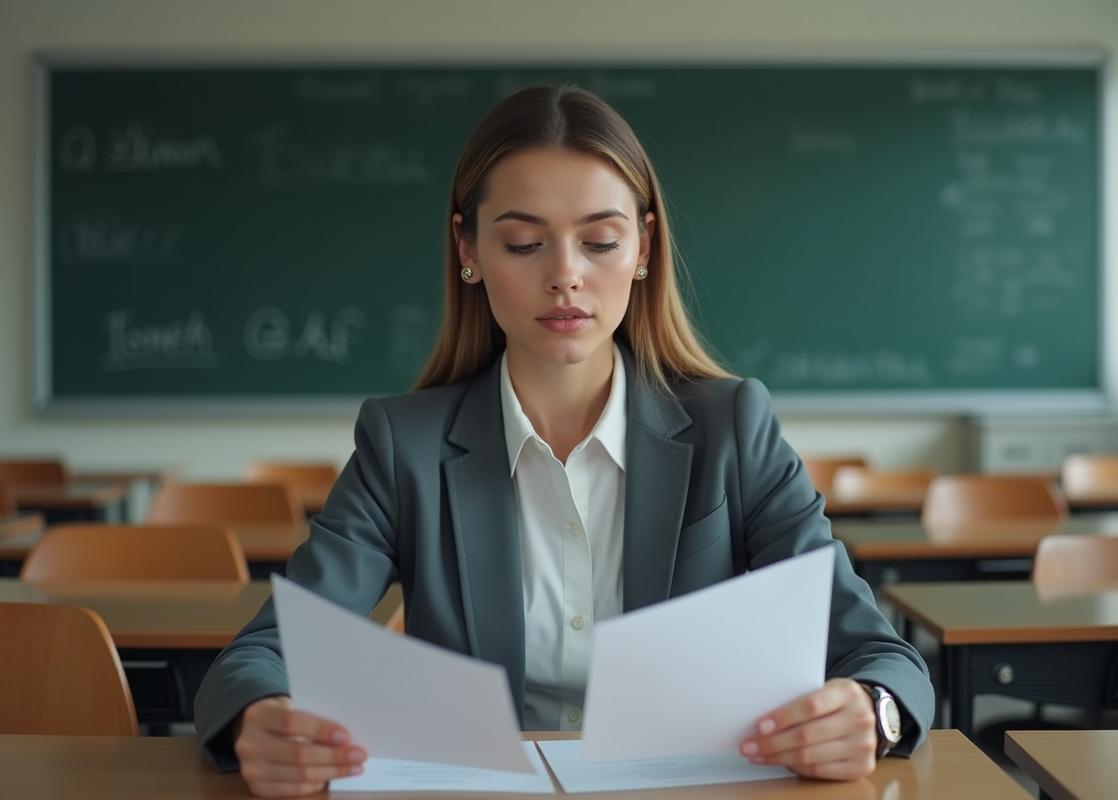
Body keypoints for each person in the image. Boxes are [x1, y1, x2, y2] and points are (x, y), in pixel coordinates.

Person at [195, 84, 935, 798]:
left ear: (644, 247)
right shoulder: (404, 448)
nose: (566, 277)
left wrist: (871, 712)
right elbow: (259, 657)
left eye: (601, 240)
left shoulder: (733, 428)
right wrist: (259, 723)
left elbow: (882, 656)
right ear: (469, 248)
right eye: (523, 243)